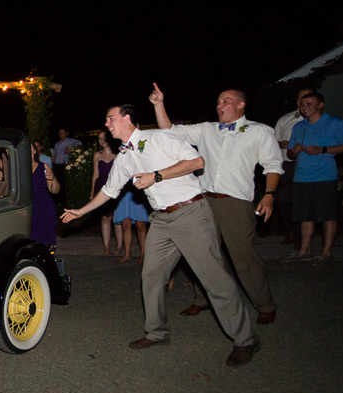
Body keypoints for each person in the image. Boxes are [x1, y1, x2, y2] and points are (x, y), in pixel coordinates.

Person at [61, 104, 259, 366]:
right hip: (161, 219)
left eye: (111, 118)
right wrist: (81, 212)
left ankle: (246, 340)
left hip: (190, 213)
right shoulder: (125, 157)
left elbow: (197, 162)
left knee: (213, 278)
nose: (107, 124)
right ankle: (157, 333)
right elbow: (109, 191)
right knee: (151, 275)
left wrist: (156, 176)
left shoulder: (160, 137)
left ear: (127, 118)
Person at [150, 84, 283, 325]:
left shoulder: (260, 131)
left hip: (236, 203)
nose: (219, 105)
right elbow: (169, 131)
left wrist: (270, 194)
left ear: (241, 104)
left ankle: (264, 303)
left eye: (226, 101)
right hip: (203, 201)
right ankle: (202, 300)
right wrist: (159, 104)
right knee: (203, 254)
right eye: (218, 101)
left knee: (244, 257)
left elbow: (273, 165)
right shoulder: (207, 130)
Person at [285, 92, 343, 263]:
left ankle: (326, 252)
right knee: (305, 215)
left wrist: (323, 149)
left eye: (309, 103)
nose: (305, 107)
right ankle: (304, 250)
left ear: (320, 104)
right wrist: (293, 151)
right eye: (302, 104)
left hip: (324, 176)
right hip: (301, 177)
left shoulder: (335, 123)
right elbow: (290, 153)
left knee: (327, 215)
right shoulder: (298, 127)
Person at [274, 86, 315, 244]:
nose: (302, 101)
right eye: (300, 97)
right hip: (287, 164)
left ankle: (299, 236)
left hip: (307, 164)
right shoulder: (286, 119)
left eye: (306, 97)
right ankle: (292, 230)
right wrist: (282, 144)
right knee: (282, 200)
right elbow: (273, 140)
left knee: (302, 200)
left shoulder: (315, 120)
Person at [92, 131, 119, 255]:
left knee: (117, 218)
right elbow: (95, 175)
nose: (101, 140)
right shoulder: (97, 155)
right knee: (105, 218)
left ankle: (119, 247)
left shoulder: (118, 153)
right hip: (101, 187)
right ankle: (106, 247)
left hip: (116, 187)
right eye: (99, 139)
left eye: (104, 138)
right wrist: (92, 193)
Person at [30, 142, 60, 244]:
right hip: (27, 207)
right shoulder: (18, 169)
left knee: (45, 240)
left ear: (34, 151)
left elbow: (55, 190)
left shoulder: (43, 166)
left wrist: (53, 178)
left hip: (43, 206)